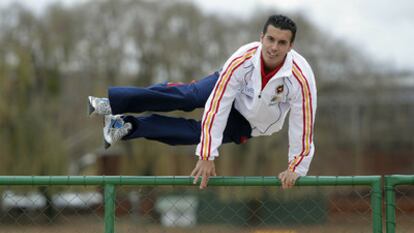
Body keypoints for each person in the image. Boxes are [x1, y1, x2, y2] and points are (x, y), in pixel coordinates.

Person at [88, 14, 317, 190]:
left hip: (252, 123)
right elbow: (218, 106)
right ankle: (113, 103)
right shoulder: (242, 60)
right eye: (270, 39)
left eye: (282, 42)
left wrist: (295, 167)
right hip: (226, 91)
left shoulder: (300, 78)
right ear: (261, 37)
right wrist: (207, 155)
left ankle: (123, 126)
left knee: (193, 134)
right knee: (189, 97)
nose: (274, 47)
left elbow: (302, 124)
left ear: (291, 46)